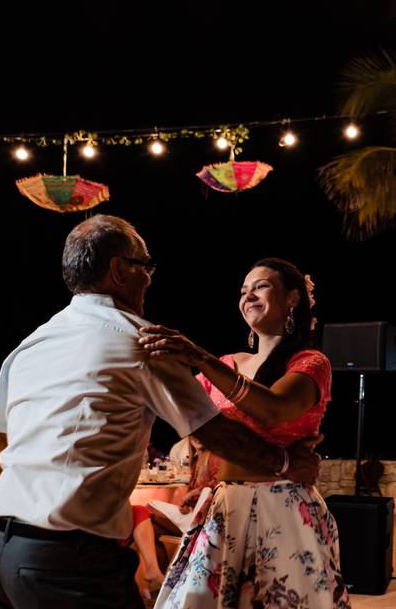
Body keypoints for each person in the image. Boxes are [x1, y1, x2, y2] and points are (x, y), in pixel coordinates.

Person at [0, 215, 321, 609]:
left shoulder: (31, 343)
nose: (150, 278)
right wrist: (284, 462)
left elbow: (0, 432)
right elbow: (215, 432)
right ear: (119, 270)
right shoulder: (142, 341)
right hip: (67, 559)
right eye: (146, 267)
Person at [141, 258, 349, 609]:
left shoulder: (311, 363)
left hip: (283, 508)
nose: (248, 295)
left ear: (293, 298)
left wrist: (199, 357)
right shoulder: (225, 365)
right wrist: (200, 478)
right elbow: (200, 430)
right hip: (227, 507)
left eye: (261, 286)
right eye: (243, 290)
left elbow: (274, 409)